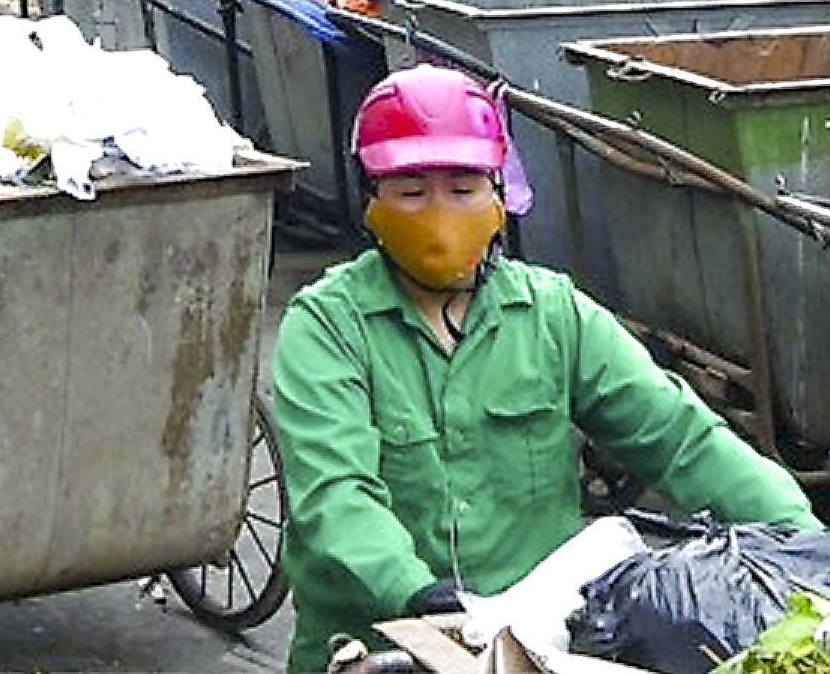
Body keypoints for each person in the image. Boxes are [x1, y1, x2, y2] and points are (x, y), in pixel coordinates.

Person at [271, 64, 821, 674]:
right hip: (376, 644)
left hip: (532, 645)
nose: (439, 212)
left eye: (462, 188)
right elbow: (336, 495)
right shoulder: (325, 326)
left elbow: (680, 437)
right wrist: (415, 592)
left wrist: (801, 542)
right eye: (411, 190)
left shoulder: (553, 314)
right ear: (371, 200)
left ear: (499, 195)